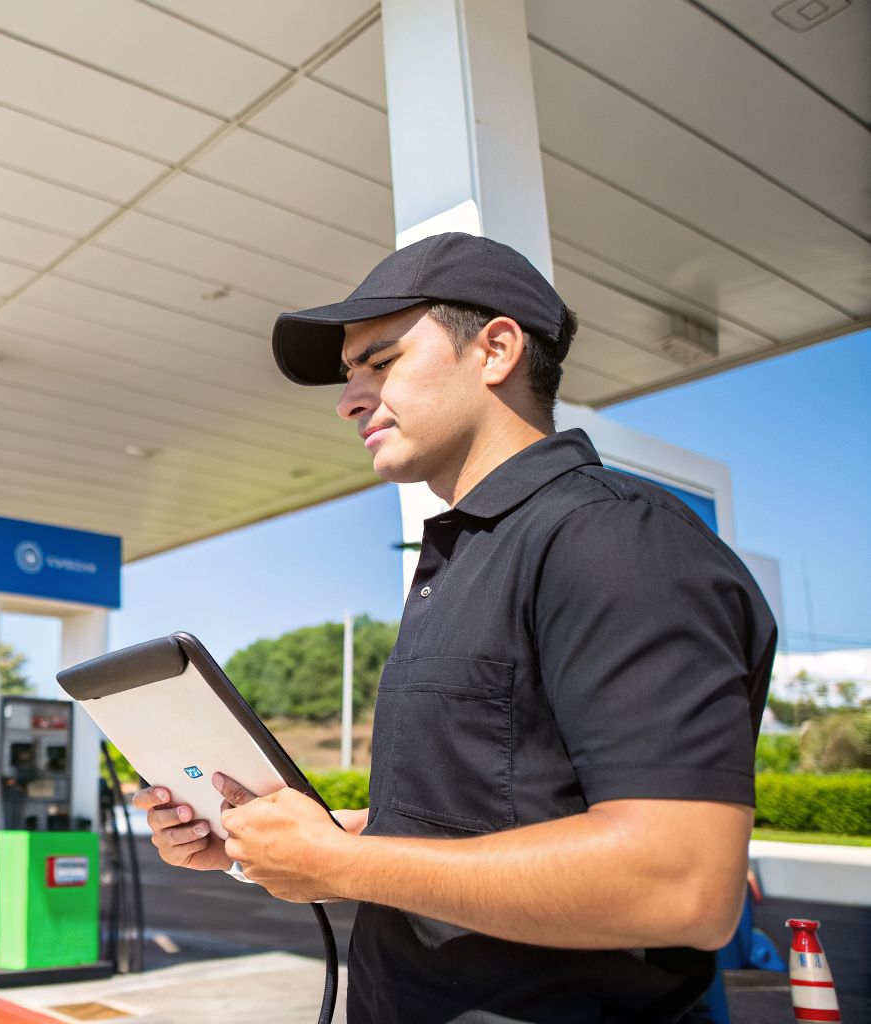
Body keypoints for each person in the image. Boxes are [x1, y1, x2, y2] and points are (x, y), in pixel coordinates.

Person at [133, 233, 776, 1021]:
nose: (349, 399)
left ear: (497, 349)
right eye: (348, 375)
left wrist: (344, 861)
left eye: (382, 361)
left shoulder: (614, 541)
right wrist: (281, 842)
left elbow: (680, 881)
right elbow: (489, 817)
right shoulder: (462, 560)